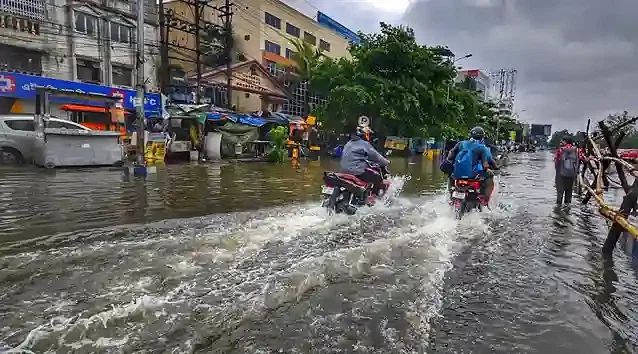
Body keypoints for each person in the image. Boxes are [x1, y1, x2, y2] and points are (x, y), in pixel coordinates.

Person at [446, 126, 499, 204]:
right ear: (482, 137)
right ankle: (485, 199)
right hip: (472, 176)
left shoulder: (460, 144)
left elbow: (450, 157)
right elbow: (485, 165)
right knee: (489, 176)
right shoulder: (482, 148)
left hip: (458, 176)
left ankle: (451, 192)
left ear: (470, 135)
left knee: (451, 175)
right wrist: (494, 169)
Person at [340, 125, 390, 204]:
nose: (368, 136)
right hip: (357, 171)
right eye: (367, 134)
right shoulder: (364, 144)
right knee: (377, 176)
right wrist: (386, 162)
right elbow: (376, 156)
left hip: (345, 171)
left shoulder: (348, 143)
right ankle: (372, 198)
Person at [554, 137, 584, 205]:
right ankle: (567, 209)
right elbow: (584, 159)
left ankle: (558, 211)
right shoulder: (577, 150)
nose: (560, 143)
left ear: (566, 142)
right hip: (571, 174)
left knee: (560, 193)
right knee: (569, 192)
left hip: (560, 175)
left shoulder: (560, 150)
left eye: (562, 142)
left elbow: (556, 161)